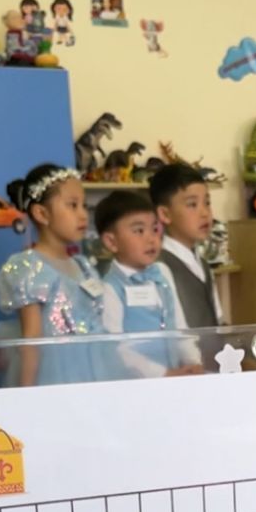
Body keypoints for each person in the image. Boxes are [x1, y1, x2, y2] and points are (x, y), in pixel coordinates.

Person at [0, 163, 107, 387]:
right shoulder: (29, 268)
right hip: (56, 379)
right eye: (72, 205)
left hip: (93, 374)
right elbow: (32, 340)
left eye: (84, 206)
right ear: (42, 213)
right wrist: (26, 395)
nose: (83, 215)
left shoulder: (84, 267)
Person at [97, 189, 200, 377]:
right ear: (111, 242)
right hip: (137, 384)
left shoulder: (163, 272)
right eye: (139, 231)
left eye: (154, 229)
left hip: (175, 378)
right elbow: (116, 349)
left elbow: (180, 327)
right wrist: (163, 373)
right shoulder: (109, 288)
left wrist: (193, 362)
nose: (151, 239)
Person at [149, 161, 223, 329]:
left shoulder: (203, 265)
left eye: (207, 203)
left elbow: (218, 321)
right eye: (192, 204)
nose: (205, 213)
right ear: (165, 214)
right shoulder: (158, 267)